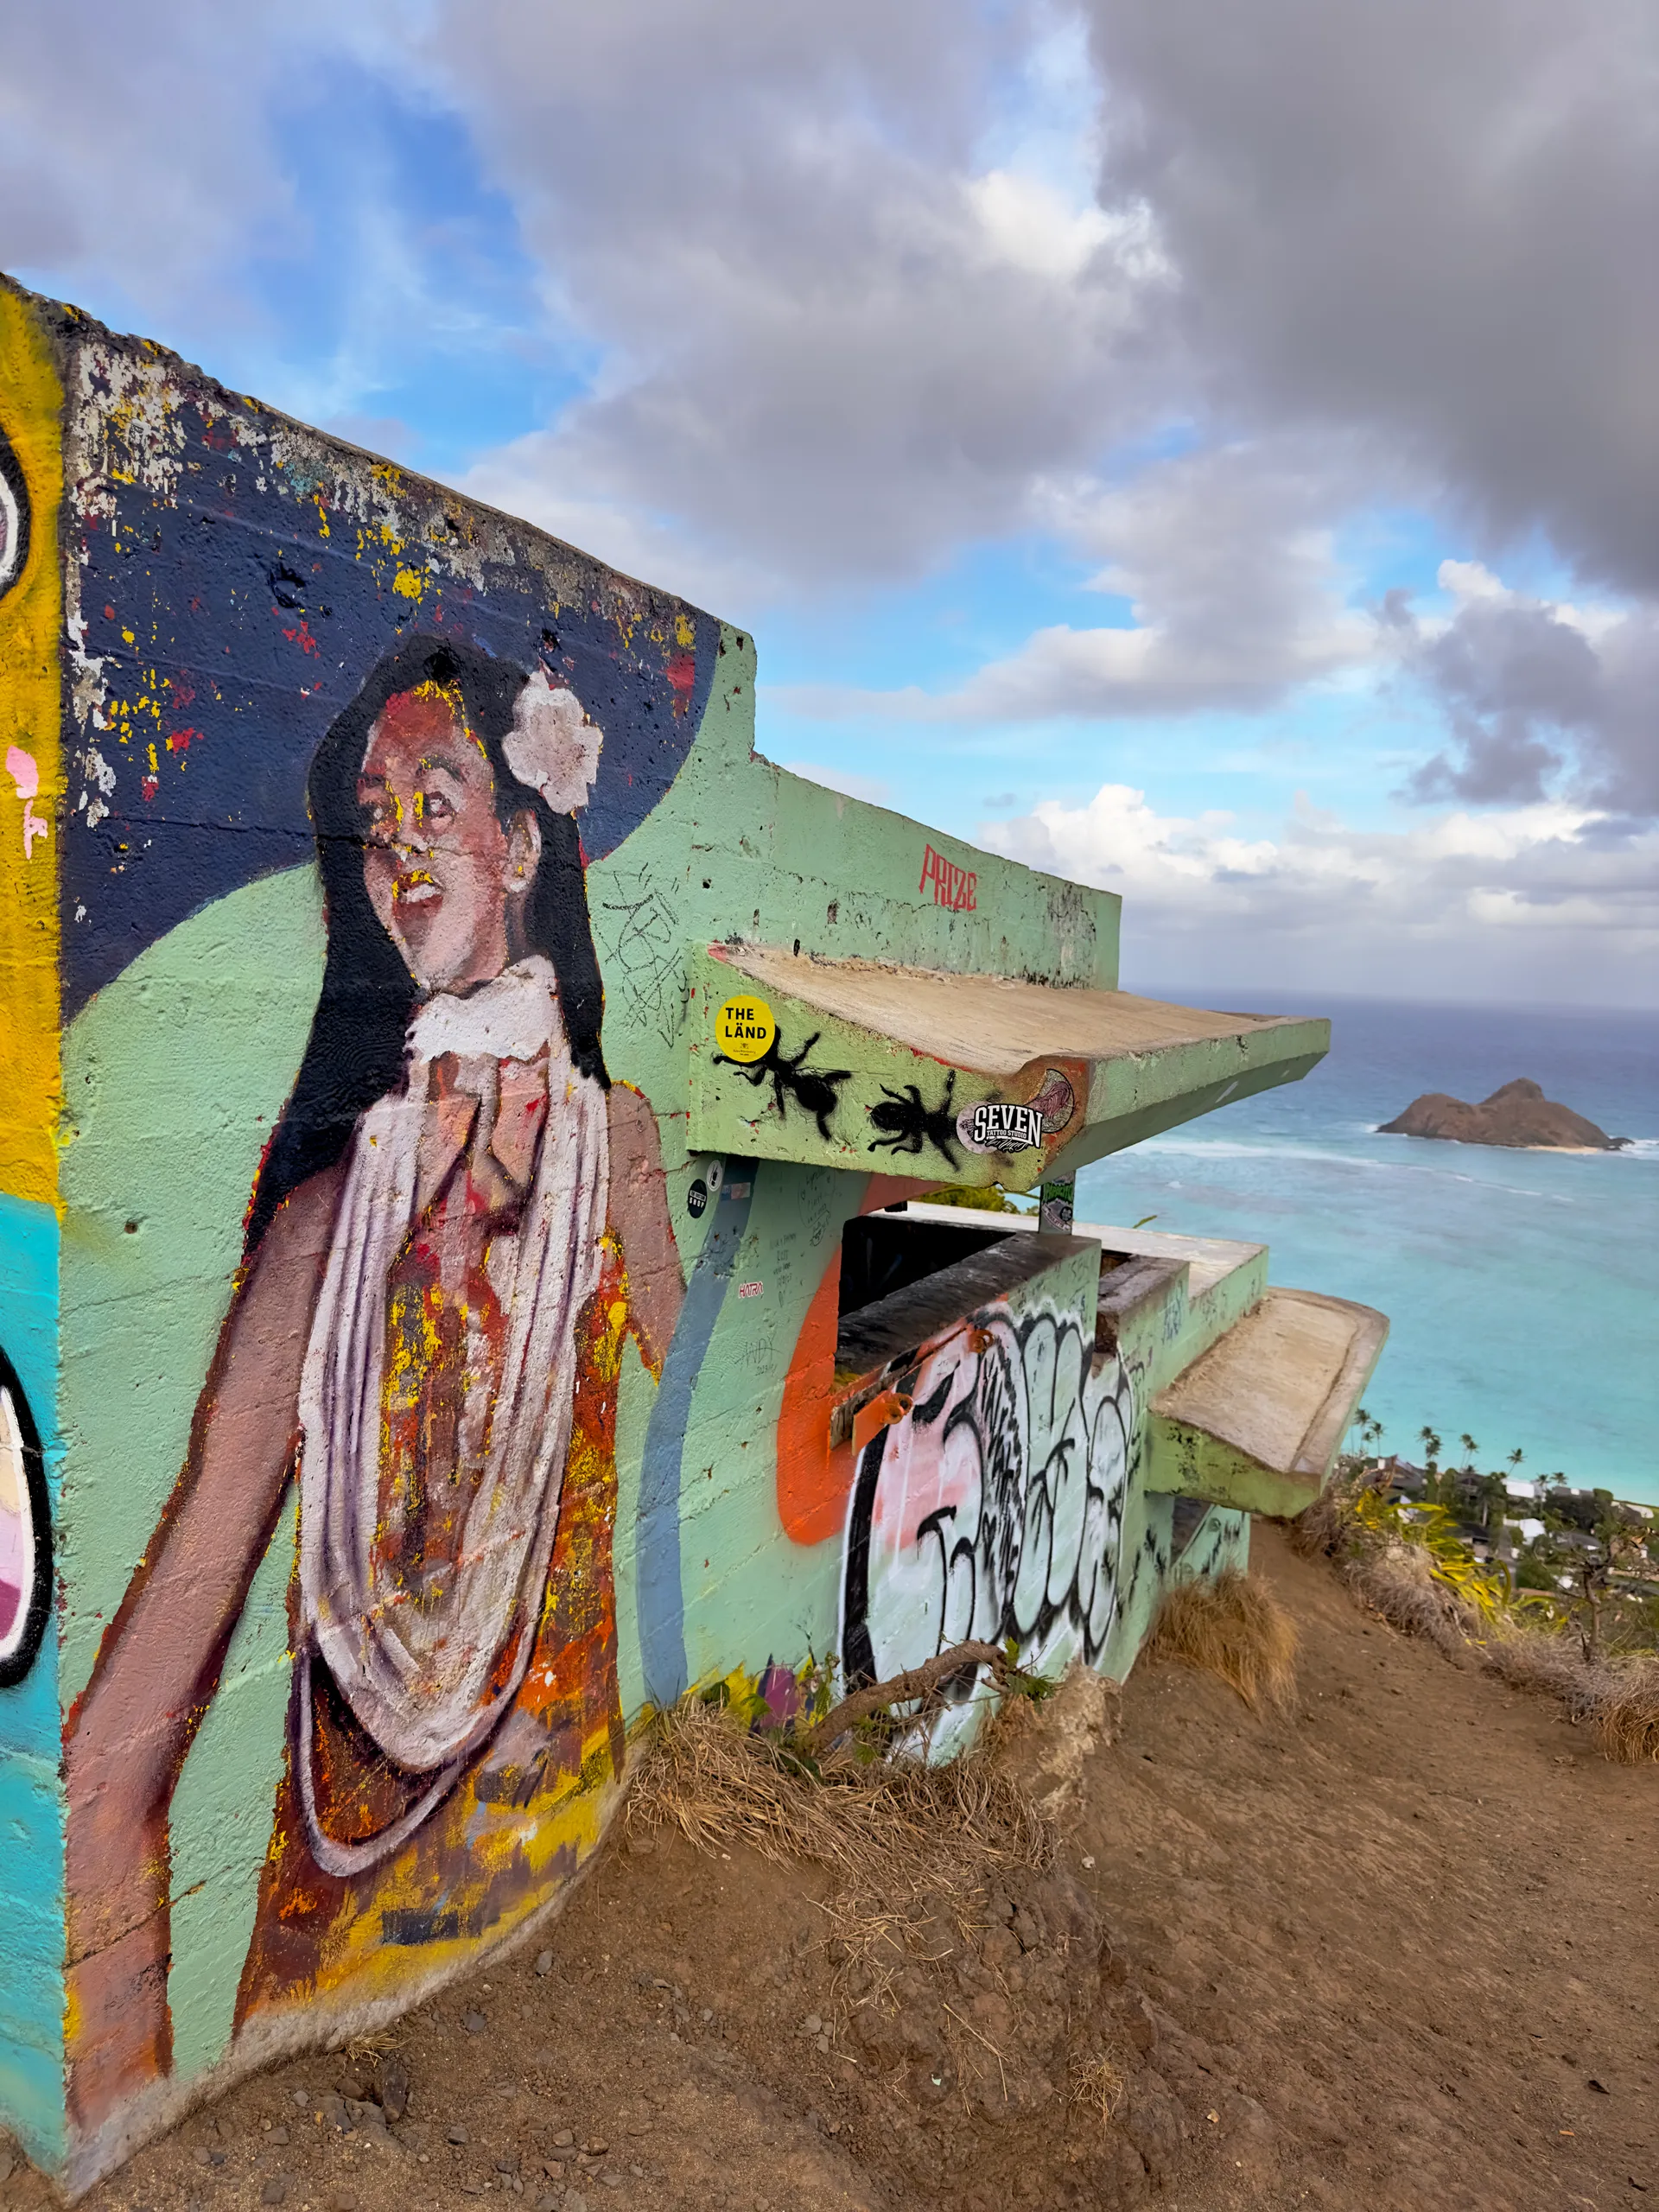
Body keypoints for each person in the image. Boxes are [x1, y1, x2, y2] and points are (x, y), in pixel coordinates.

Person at [64, 637, 683, 2136]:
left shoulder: (625, 1157)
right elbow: (114, 1760)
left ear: (523, 844)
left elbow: (711, 1414)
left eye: (438, 792)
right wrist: (122, 2090)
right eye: (375, 809)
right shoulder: (326, 1228)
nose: (398, 840)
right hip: (325, 1938)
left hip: (567, 1857)